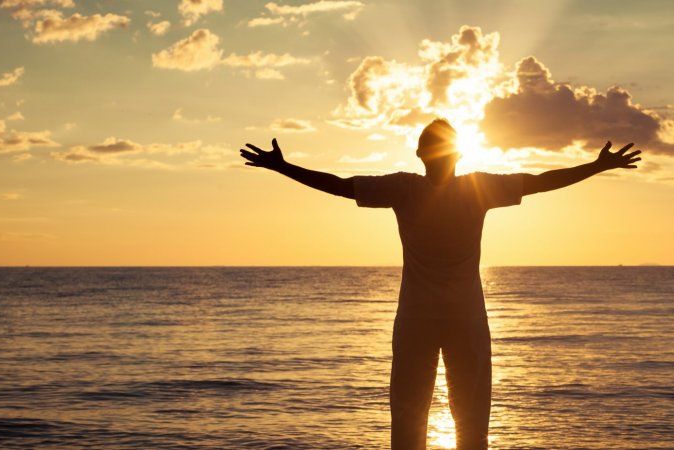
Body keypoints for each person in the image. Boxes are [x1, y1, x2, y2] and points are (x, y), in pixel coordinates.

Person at [239, 119, 641, 449]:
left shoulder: (407, 188)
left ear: (425, 154)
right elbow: (539, 181)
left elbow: (341, 185)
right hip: (463, 320)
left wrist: (283, 167)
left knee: (414, 424)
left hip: (419, 320)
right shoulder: (469, 188)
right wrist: (596, 166)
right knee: (466, 424)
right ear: (453, 155)